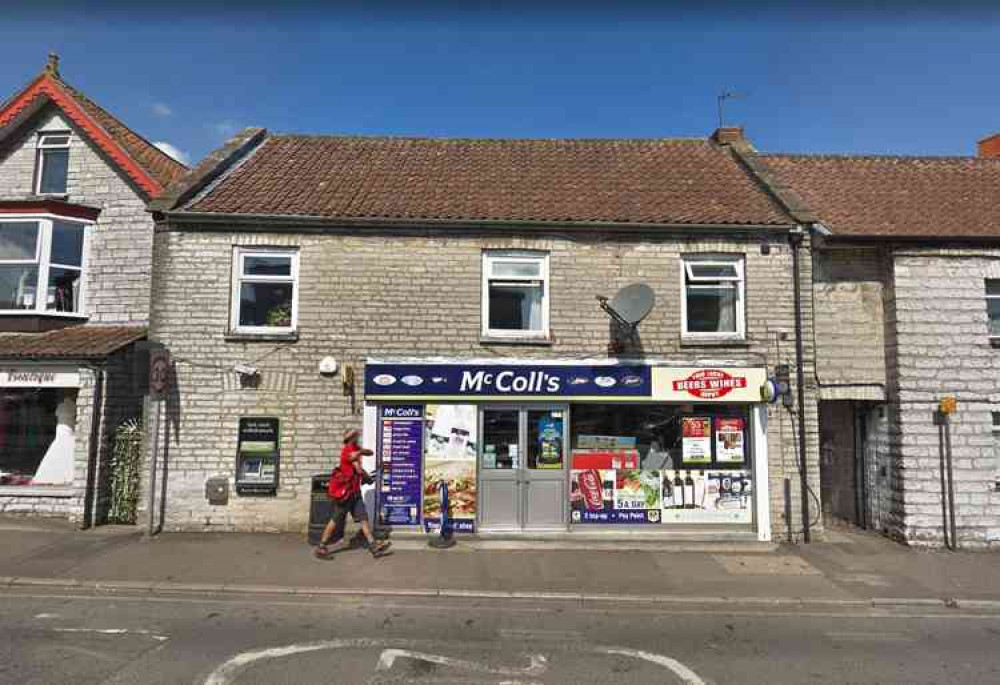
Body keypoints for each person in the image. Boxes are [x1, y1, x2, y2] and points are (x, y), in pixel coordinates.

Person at [315, 428, 390, 559]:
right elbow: (359, 470)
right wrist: (368, 478)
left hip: (355, 492)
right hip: (346, 494)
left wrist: (361, 451)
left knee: (363, 519)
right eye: (356, 436)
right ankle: (321, 546)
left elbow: (370, 452)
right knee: (335, 520)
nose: (358, 437)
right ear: (352, 438)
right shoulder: (347, 450)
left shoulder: (355, 448)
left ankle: (373, 546)